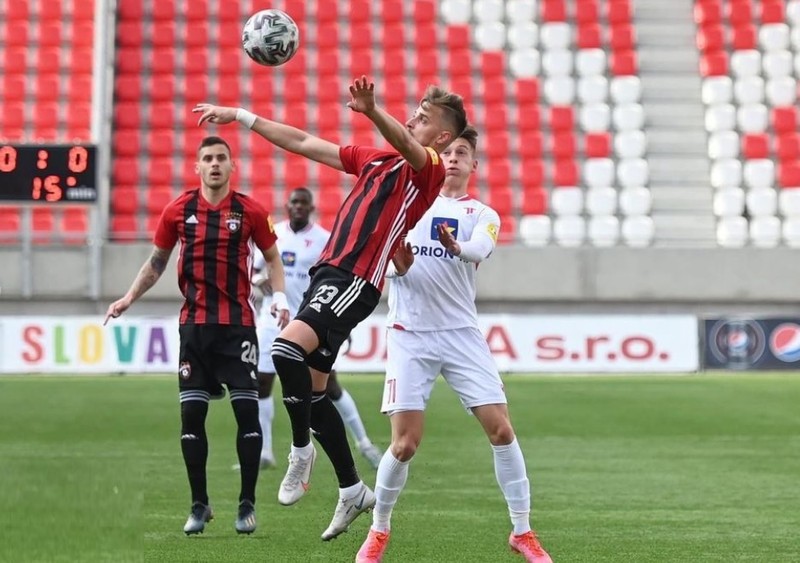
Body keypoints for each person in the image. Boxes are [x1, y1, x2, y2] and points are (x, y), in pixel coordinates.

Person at [193, 75, 467, 540]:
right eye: (415, 111)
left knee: (283, 353)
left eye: (424, 118)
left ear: (441, 136)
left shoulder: (430, 167)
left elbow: (405, 142)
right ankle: (352, 489)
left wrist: (372, 110)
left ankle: (301, 451)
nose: (413, 118)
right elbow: (302, 142)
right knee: (316, 396)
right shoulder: (376, 159)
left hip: (355, 280)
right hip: (330, 276)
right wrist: (241, 116)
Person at [355, 127, 553, 563]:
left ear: (474, 165)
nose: (456, 157)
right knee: (405, 444)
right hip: (410, 334)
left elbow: (480, 248)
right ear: (435, 159)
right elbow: (387, 265)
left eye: (463, 152)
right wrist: (398, 267)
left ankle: (522, 531)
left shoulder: (483, 212)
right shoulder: (407, 206)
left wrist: (456, 246)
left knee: (502, 430)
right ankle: (378, 530)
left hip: (462, 335)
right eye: (448, 152)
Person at [104, 136, 290, 536]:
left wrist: (279, 298)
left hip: (238, 326)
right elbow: (157, 262)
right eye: (207, 158)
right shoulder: (178, 210)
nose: (215, 164)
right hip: (194, 329)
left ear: (232, 165)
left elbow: (273, 258)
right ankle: (199, 505)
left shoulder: (251, 211)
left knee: (247, 413)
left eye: (221, 157)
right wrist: (128, 297)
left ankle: (246, 505)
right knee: (192, 416)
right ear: (197, 167)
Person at [246, 186, 383, 471]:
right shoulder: (275, 236)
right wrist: (259, 279)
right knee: (262, 383)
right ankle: (265, 450)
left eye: (303, 203)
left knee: (328, 385)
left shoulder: (322, 240)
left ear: (311, 208)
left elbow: (334, 279)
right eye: (293, 202)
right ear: (287, 206)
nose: (298, 207)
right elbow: (255, 270)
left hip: (310, 319)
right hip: (272, 320)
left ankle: (365, 443)